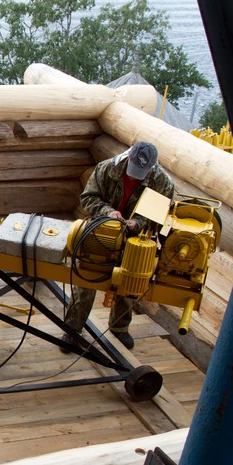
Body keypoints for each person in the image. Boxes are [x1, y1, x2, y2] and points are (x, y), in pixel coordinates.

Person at [61, 141, 175, 352]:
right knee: (86, 280)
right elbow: (88, 198)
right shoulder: (107, 168)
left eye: (140, 173)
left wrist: (138, 223)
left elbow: (162, 214)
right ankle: (72, 329)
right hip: (101, 233)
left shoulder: (162, 182)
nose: (134, 176)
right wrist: (108, 213)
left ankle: (120, 327)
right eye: (133, 170)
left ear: (152, 167)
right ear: (128, 158)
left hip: (135, 240)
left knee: (128, 284)